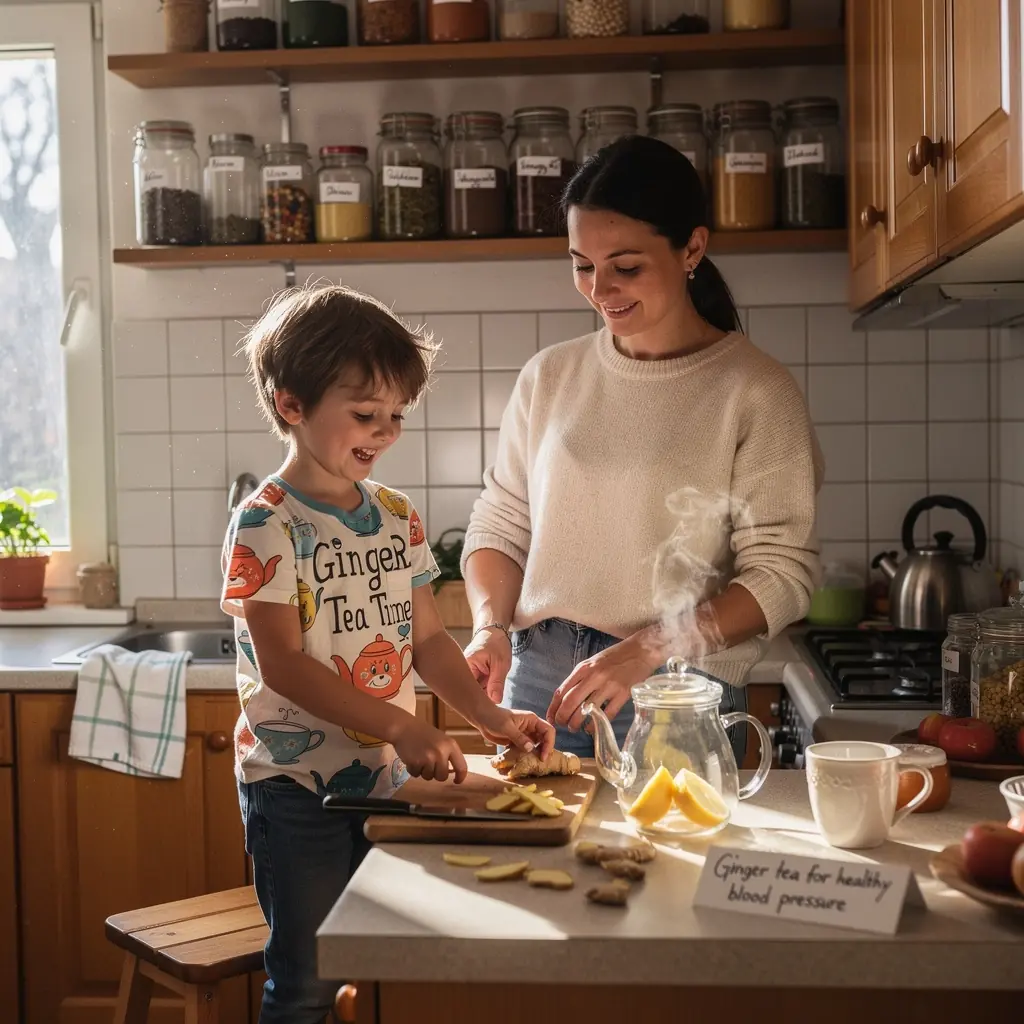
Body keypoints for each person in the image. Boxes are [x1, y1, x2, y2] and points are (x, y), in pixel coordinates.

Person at [220, 284, 554, 1024]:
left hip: (382, 780)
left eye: (396, 415)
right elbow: (283, 665)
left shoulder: (396, 516)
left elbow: (429, 641)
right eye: (366, 414)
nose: (384, 431)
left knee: (375, 973)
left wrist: (491, 717)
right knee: (305, 984)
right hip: (294, 785)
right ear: (292, 405)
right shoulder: (264, 523)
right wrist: (402, 724)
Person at [461, 134, 823, 758]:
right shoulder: (549, 376)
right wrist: (489, 626)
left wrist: (648, 649)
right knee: (536, 852)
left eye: (625, 266)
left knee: (666, 856)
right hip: (539, 680)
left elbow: (781, 576)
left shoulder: (756, 390)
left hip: (675, 689)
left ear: (693, 248)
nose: (600, 289)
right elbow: (501, 522)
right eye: (581, 264)